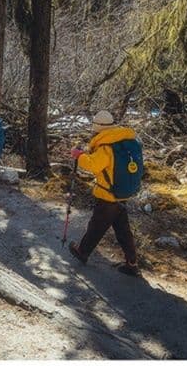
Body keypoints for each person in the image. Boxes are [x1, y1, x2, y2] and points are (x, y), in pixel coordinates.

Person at [68, 110, 141, 276]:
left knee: (96, 226)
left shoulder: (107, 147)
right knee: (123, 230)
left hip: (109, 195)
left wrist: (79, 156)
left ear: (98, 128)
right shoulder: (125, 141)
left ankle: (82, 252)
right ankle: (132, 263)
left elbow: (93, 165)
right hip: (122, 193)